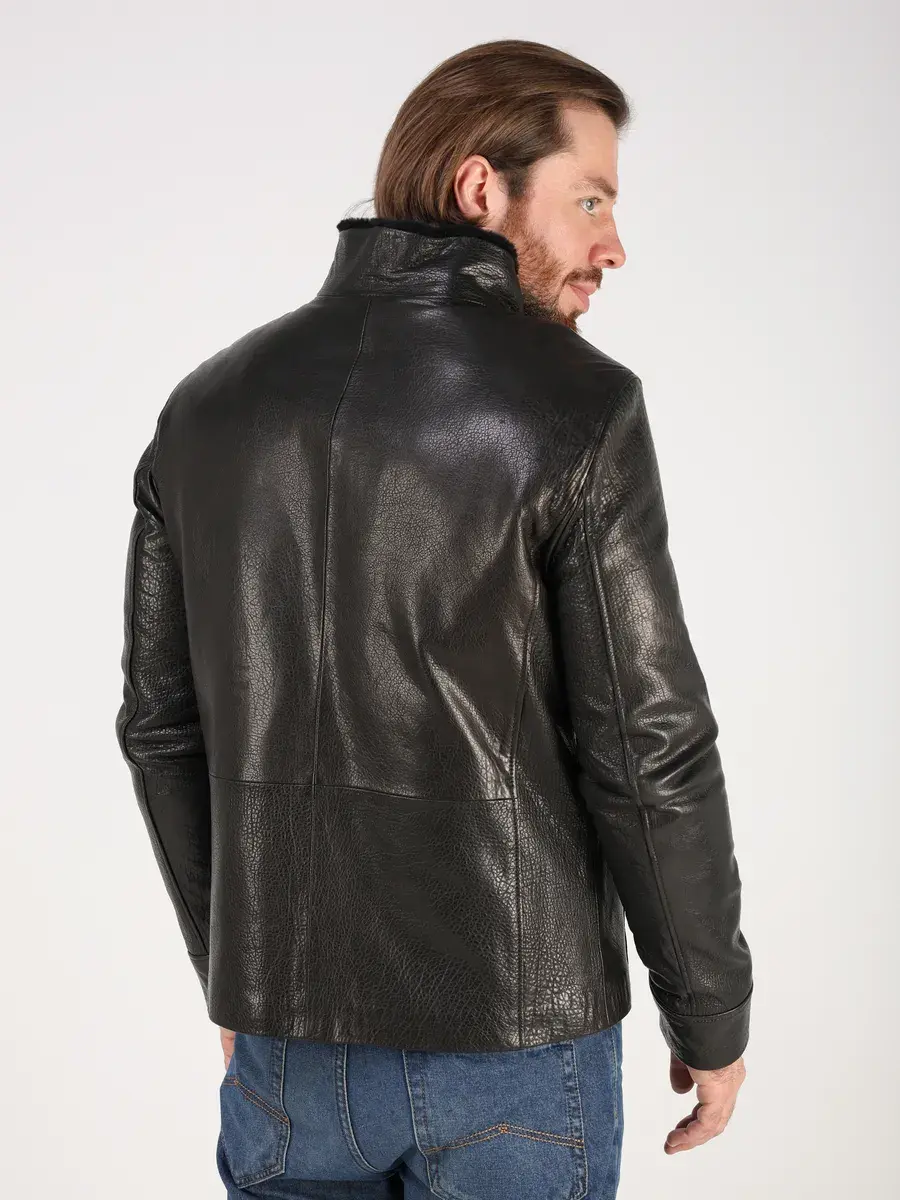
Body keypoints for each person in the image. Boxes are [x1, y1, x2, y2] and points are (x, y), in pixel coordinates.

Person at [114, 37, 753, 1198]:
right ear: (478, 188)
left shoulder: (204, 409)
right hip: (518, 1041)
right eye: (590, 200)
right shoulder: (581, 408)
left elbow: (160, 729)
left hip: (288, 1052)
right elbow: (646, 743)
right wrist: (709, 1011)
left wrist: (237, 976)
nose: (614, 244)